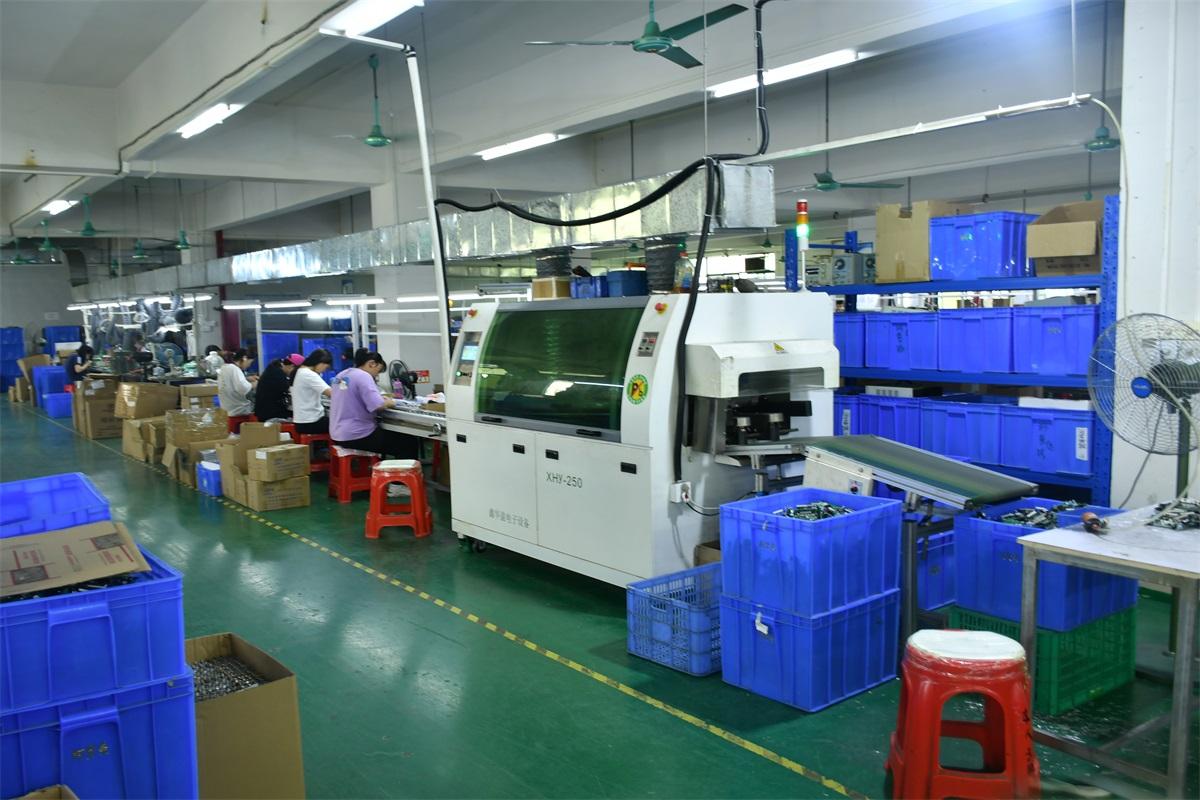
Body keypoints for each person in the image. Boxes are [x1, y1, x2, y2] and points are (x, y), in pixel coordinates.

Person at [330, 349, 418, 459]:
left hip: (337, 434)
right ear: (371, 363)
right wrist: (390, 402)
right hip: (357, 435)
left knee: (390, 437)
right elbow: (378, 405)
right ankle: (401, 470)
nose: (376, 376)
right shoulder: (364, 376)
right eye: (378, 371)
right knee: (408, 442)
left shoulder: (341, 375)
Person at [291, 349, 334, 434]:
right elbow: (331, 393)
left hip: (302, 421)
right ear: (321, 363)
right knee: (343, 424)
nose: (324, 370)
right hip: (311, 422)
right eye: (326, 367)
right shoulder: (309, 374)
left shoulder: (300, 371)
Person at [217, 348, 258, 433]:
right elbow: (243, 388)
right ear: (244, 358)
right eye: (250, 362)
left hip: (229, 409)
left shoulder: (225, 367)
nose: (249, 366)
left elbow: (231, 382)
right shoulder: (235, 369)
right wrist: (255, 384)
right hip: (239, 411)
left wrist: (246, 379)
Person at [254, 353, 302, 422]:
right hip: (270, 414)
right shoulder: (278, 375)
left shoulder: (274, 369)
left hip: (265, 412)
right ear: (292, 366)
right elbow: (292, 391)